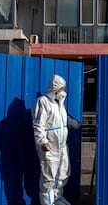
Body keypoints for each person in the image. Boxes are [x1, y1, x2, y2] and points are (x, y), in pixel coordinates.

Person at [31, 74, 80, 205]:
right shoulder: (43, 102)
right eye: (61, 89)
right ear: (55, 88)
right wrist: (42, 142)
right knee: (48, 178)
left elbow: (61, 120)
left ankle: (57, 198)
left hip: (62, 147)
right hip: (50, 148)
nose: (63, 91)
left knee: (63, 174)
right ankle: (48, 202)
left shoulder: (59, 104)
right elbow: (38, 125)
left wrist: (72, 123)